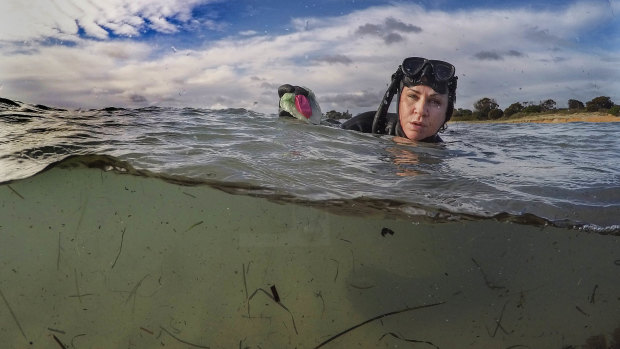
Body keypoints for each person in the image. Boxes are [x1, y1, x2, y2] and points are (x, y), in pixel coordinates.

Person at [278, 57, 458, 143]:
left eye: (435, 102)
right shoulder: (363, 126)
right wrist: (294, 120)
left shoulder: (445, 152)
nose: (420, 110)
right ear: (398, 99)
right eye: (412, 96)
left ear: (446, 111)